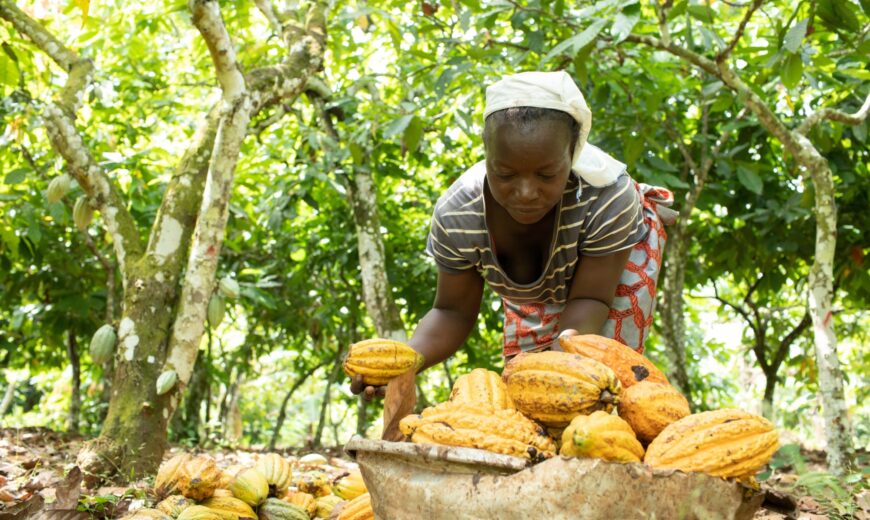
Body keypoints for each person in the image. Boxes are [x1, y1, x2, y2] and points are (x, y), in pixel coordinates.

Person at [351, 71, 675, 440]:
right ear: (487, 155)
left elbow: (590, 298)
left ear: (572, 156)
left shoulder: (609, 199)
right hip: (539, 286)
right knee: (529, 406)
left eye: (546, 174)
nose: (525, 192)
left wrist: (554, 375)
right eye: (505, 173)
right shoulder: (460, 216)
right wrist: (403, 361)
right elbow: (452, 311)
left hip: (613, 265)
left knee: (603, 387)